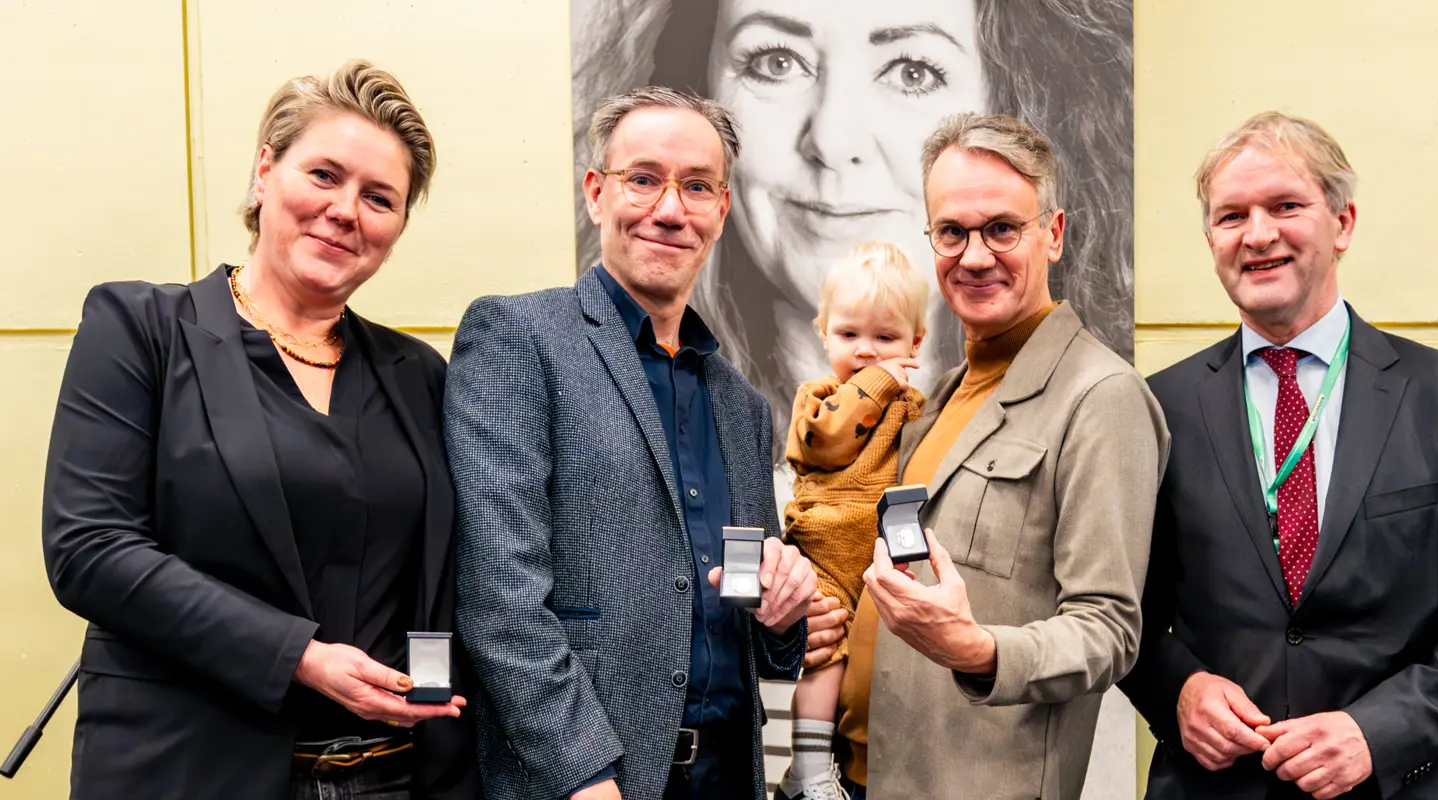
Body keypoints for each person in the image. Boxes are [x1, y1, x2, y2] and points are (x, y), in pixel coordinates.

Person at [40, 60, 477, 799]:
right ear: (265, 171)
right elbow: (89, 549)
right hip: (189, 773)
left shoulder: (418, 375)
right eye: (324, 176)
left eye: (380, 198)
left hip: (390, 781)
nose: (346, 210)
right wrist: (300, 656)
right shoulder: (141, 330)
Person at [1117, 111, 1438, 799]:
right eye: (1232, 216)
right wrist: (1179, 690)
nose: (1258, 234)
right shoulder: (1155, 407)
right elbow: (1118, 610)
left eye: (1285, 206)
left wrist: (1376, 732)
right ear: (1211, 241)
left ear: (1343, 223)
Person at [444, 85, 817, 800]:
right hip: (588, 784)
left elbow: (764, 635)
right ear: (596, 193)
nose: (669, 210)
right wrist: (585, 774)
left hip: (728, 775)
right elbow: (501, 598)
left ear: (721, 211)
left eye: (697, 187)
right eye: (643, 179)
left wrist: (784, 614)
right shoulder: (520, 339)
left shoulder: (743, 407)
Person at [570, 0, 1134, 471]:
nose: (834, 139)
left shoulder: (1090, 412)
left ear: (1007, 106)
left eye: (912, 71)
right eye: (776, 61)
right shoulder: (615, 402)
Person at [813, 112, 1168, 800]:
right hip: (859, 779)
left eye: (1002, 228)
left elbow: (1108, 631)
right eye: (951, 232)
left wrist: (977, 651)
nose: (974, 256)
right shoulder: (941, 396)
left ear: (1054, 235)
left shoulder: (1101, 397)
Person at [774, 241, 929, 800]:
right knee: (825, 657)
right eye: (848, 335)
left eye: (885, 338)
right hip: (826, 550)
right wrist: (884, 378)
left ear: (916, 343)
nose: (866, 352)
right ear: (822, 331)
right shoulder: (817, 402)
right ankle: (807, 770)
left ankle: (847, 761)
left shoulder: (914, 408)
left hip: (879, 559)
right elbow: (835, 436)